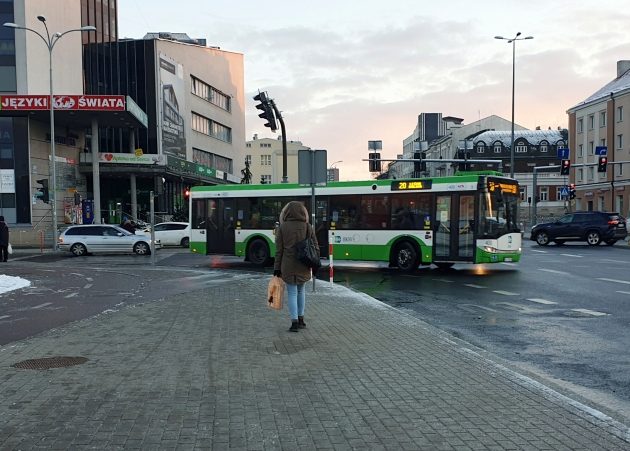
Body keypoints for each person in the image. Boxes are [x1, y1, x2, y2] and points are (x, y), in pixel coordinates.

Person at [273, 201, 319, 332]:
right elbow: (315, 246)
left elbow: (279, 251)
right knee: (301, 291)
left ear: (287, 212)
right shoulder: (307, 226)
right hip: (303, 264)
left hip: (287, 265)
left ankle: (294, 323)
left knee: (292, 293)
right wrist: (315, 264)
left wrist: (276, 268)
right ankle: (301, 320)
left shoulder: (282, 227)